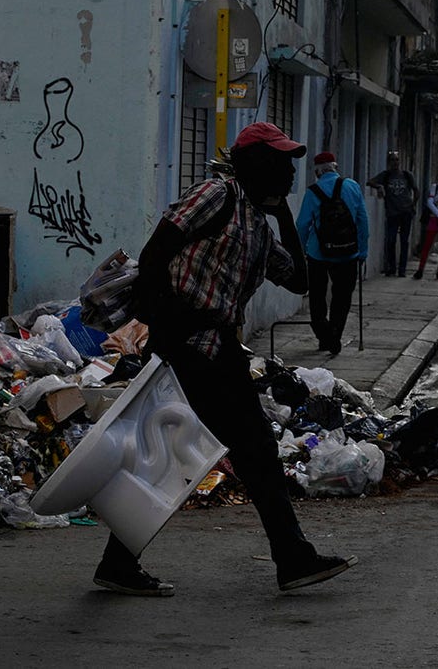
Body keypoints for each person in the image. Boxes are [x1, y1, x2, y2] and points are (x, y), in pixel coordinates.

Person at [108, 122, 356, 596]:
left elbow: (300, 281)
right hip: (188, 348)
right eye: (280, 163)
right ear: (257, 164)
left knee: (176, 452)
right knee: (250, 449)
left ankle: (119, 561)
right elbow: (155, 253)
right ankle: (292, 556)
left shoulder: (259, 230)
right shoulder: (215, 196)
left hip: (217, 351)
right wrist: (162, 326)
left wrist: (285, 218)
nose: (288, 173)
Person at [297, 151, 369, 354]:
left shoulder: (313, 191)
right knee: (342, 296)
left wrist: (301, 250)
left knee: (317, 296)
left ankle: (324, 335)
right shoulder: (352, 186)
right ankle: (335, 334)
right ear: (335, 167)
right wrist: (363, 251)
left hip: (318, 254)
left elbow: (302, 224)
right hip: (348, 253)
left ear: (318, 171)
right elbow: (363, 220)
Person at [367, 151, 418, 277]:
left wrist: (413, 204)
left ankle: (402, 269)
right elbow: (370, 182)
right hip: (392, 213)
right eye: (392, 160)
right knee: (391, 240)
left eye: (397, 160)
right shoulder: (386, 176)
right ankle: (391, 267)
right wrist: (379, 186)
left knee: (404, 241)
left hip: (406, 212)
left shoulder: (406, 175)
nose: (395, 163)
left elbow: (416, 190)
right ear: (389, 162)